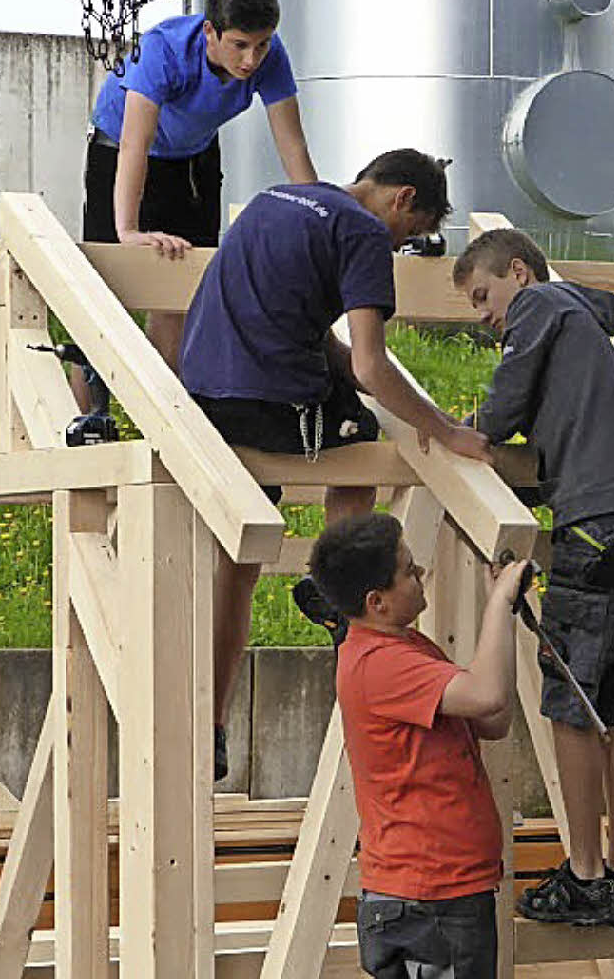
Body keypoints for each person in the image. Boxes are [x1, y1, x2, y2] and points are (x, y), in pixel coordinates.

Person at [180, 148, 491, 780]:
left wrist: (355, 378)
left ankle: (210, 724)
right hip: (269, 400)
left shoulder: (275, 198)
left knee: (238, 562)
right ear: (402, 199)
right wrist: (443, 429)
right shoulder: (363, 231)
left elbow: (309, 332)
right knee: (363, 445)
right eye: (410, 234)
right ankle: (339, 586)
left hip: (205, 394)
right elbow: (371, 365)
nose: (399, 247)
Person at [452, 228, 614, 931]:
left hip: (594, 527)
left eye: (483, 296)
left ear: (518, 272)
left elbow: (504, 406)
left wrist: (467, 430)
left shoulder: (540, 306)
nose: (484, 316)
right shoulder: (585, 327)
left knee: (571, 703)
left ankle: (584, 875)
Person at [309, 512, 524, 979]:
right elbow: (488, 695)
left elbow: (493, 719)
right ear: (377, 602)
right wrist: (499, 603)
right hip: (429, 898)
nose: (420, 572)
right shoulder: (380, 663)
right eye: (408, 570)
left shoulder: (409, 648)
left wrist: (502, 614)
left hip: (442, 893)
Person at [83, 0, 318, 379]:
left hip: (193, 155)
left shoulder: (271, 55)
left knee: (184, 285)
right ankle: (88, 405)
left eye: (261, 46)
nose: (251, 60)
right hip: (121, 146)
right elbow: (135, 144)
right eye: (240, 45)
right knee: (105, 292)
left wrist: (321, 218)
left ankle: (168, 406)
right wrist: (128, 231)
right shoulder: (165, 49)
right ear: (211, 31)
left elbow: (292, 145)